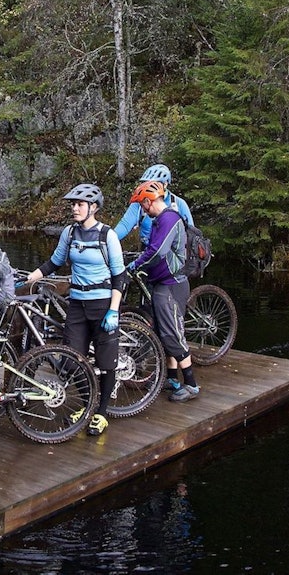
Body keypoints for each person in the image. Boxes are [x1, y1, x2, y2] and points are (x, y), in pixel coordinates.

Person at [24, 184, 126, 437]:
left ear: (94, 208)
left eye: (80, 204)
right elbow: (54, 262)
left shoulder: (107, 236)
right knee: (72, 359)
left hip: (102, 304)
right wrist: (31, 277)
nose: (74, 208)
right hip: (77, 304)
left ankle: (101, 412)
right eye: (73, 204)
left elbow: (120, 277)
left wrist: (113, 310)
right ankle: (87, 404)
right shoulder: (69, 234)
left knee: (106, 363)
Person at [126, 180, 200, 402]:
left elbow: (157, 251)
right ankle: (172, 379)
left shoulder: (168, 219)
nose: (142, 210)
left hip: (171, 285)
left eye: (141, 205)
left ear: (148, 202)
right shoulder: (160, 220)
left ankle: (191, 384)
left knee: (172, 333)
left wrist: (136, 265)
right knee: (162, 331)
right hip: (161, 283)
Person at [114, 163, 194, 247]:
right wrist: (108, 240)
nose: (148, 187)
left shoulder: (179, 204)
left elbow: (190, 232)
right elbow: (125, 225)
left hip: (172, 253)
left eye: (153, 184)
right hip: (147, 249)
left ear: (165, 184)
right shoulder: (139, 203)